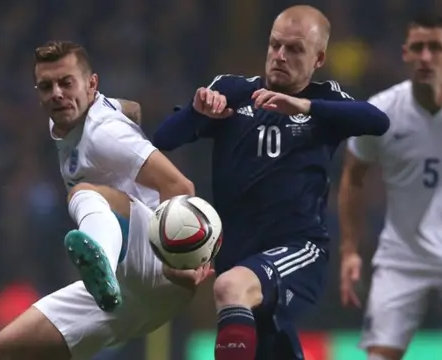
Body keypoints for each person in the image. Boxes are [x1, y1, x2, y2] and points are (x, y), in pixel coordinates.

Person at [153, 5, 390, 360]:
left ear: (319, 58)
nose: (280, 56)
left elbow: (377, 120)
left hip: (299, 251)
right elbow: (164, 139)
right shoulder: (231, 91)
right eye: (275, 45)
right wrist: (196, 112)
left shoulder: (323, 101)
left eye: (294, 50)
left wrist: (304, 106)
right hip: (239, 255)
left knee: (231, 286)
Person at [0, 41, 212, 360]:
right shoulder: (68, 118)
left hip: (158, 265)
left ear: (91, 84)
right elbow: (132, 107)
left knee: (83, 194)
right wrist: (127, 114)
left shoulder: (104, 133)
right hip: (125, 295)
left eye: (66, 83)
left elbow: (180, 185)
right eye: (46, 86)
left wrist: (178, 262)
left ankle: (101, 262)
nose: (56, 93)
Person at [338, 13, 442, 360]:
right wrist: (350, 249)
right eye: (418, 48)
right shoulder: (380, 113)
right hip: (402, 254)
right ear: (405, 54)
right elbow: (353, 177)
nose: (426, 57)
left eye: (435, 47)